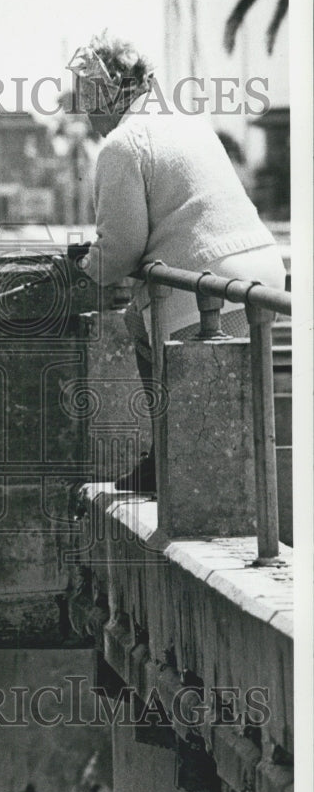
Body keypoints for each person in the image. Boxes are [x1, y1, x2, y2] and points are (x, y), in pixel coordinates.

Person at [66, 32, 286, 491]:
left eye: (87, 99)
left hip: (206, 286)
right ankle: (165, 457)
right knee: (136, 320)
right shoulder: (188, 123)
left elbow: (121, 248)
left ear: (106, 93)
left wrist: (87, 265)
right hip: (261, 274)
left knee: (194, 413)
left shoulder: (123, 144)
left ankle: (167, 461)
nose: (85, 114)